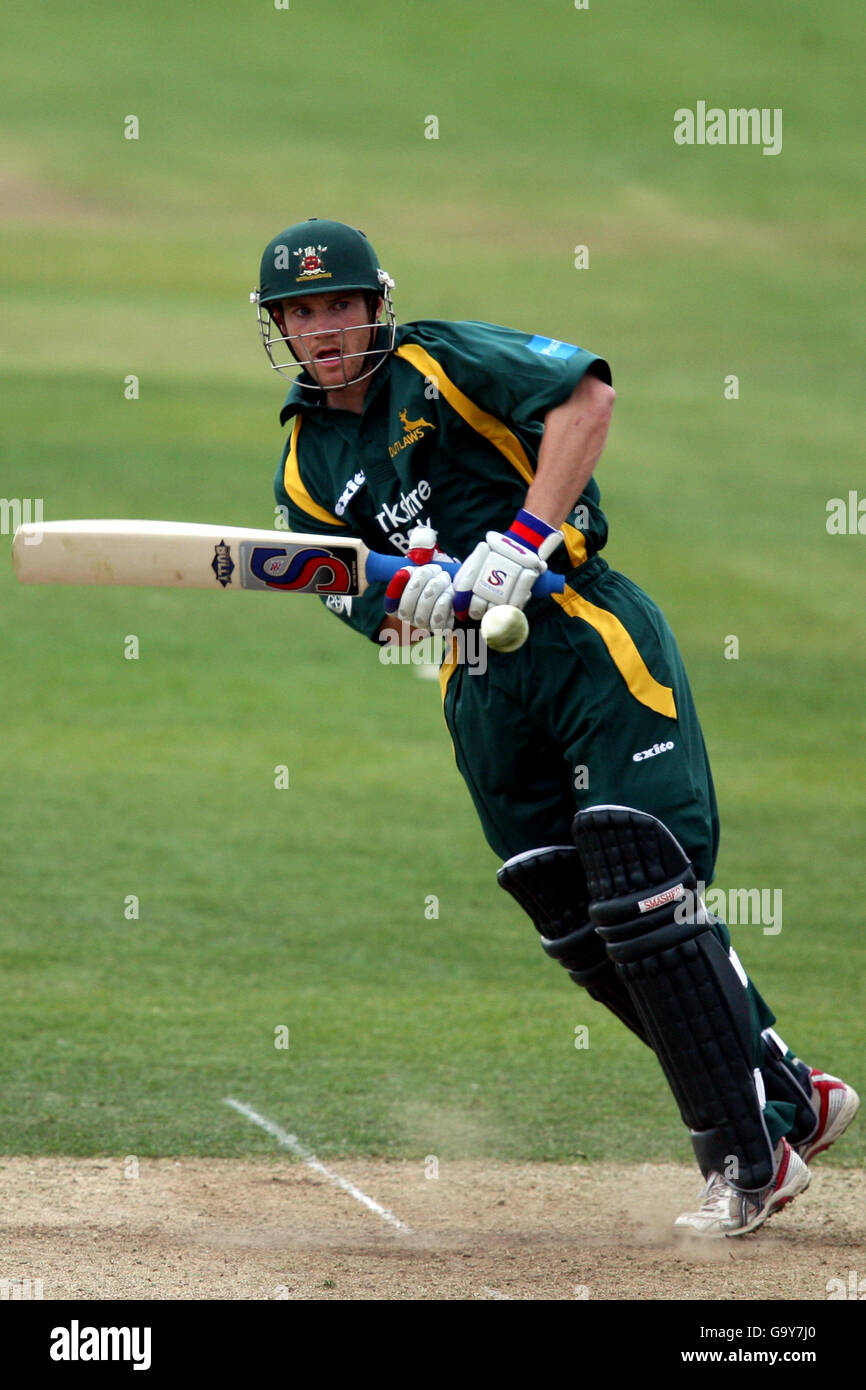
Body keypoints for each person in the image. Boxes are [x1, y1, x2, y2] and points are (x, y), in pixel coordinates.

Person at [251, 217, 858, 1237]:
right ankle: (787, 1092)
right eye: (301, 313)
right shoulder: (307, 467)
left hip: (578, 632)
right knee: (573, 918)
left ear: (373, 304)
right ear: (279, 329)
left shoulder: (439, 363)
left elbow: (586, 396)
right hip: (477, 686)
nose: (324, 329)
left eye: (338, 306)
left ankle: (749, 1159)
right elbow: (345, 587)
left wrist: (523, 536)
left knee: (640, 885)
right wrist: (416, 596)